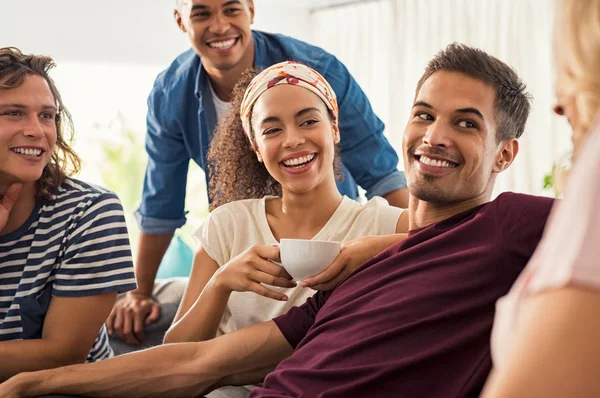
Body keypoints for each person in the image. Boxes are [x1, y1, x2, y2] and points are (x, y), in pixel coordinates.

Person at [0, 43, 555, 398]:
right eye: (424, 115)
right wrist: (33, 385)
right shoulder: (348, 273)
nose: (434, 136)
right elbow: (199, 362)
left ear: (505, 154)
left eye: (466, 124)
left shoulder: (507, 228)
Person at [107, 0, 410, 346]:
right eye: (202, 13)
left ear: (251, 10)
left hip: (338, 229)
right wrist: (140, 293)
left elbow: (383, 174)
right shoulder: (172, 95)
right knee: (127, 321)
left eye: (308, 120)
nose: (220, 26)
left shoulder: (321, 68)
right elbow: (161, 201)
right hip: (239, 248)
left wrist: (394, 238)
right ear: (180, 21)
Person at [162, 61, 408, 398]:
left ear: (334, 129)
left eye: (308, 121)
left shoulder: (385, 223)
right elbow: (171, 358)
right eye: (272, 130)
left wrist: (374, 249)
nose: (293, 140)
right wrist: (220, 285)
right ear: (256, 148)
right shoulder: (228, 225)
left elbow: (473, 235)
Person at [482, 1, 600, 396]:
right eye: (424, 115)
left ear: (505, 154)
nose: (558, 103)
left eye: (569, 70)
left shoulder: (509, 217)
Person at [0, 47, 137, 382]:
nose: (37, 130)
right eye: (14, 113)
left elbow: (62, 353)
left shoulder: (90, 211)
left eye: (47, 115)